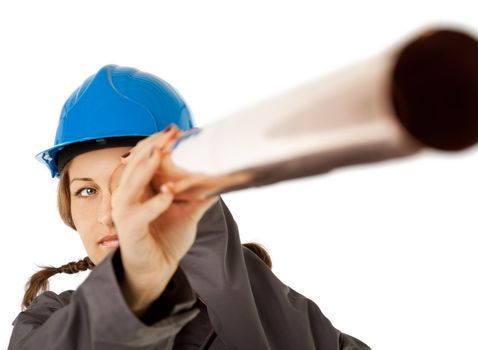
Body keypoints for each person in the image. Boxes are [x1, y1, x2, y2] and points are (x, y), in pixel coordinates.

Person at [8, 64, 371, 350]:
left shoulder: (272, 316)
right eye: (87, 191)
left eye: (131, 185)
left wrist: (204, 237)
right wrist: (136, 280)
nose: (108, 215)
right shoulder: (45, 323)